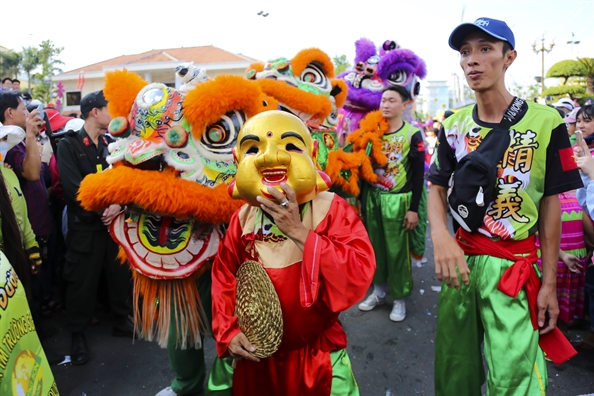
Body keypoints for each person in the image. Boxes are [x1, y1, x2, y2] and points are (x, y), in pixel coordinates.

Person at [427, 17, 583, 395]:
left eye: (485, 49)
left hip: (514, 267)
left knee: (516, 378)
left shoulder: (547, 123)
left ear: (508, 57)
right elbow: (436, 184)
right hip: (462, 264)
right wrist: (442, 237)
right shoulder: (454, 124)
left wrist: (548, 284)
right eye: (465, 52)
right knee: (454, 370)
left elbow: (551, 204)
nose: (472, 61)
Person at [208, 110, 375, 395]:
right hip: (254, 356)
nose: (271, 157)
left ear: (311, 153)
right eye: (252, 148)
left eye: (291, 146)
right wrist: (228, 331)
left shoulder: (332, 209)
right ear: (238, 160)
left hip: (316, 357)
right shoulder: (243, 217)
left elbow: (357, 274)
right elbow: (224, 277)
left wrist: (298, 231)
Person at [56, 90, 133, 366]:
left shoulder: (110, 144)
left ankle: (121, 319)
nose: (114, 112)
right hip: (85, 228)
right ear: (94, 112)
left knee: (119, 275)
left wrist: (118, 206)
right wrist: (103, 209)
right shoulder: (69, 145)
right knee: (81, 281)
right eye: (108, 107)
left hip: (111, 226)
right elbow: (73, 188)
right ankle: (77, 333)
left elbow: (123, 181)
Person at [356, 85, 426, 322]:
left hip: (399, 202)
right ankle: (378, 292)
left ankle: (399, 299)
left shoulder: (412, 134)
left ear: (405, 104)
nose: (385, 104)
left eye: (391, 100)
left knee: (398, 253)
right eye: (383, 100)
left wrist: (414, 209)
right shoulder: (371, 132)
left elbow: (418, 176)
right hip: (373, 201)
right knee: (375, 250)